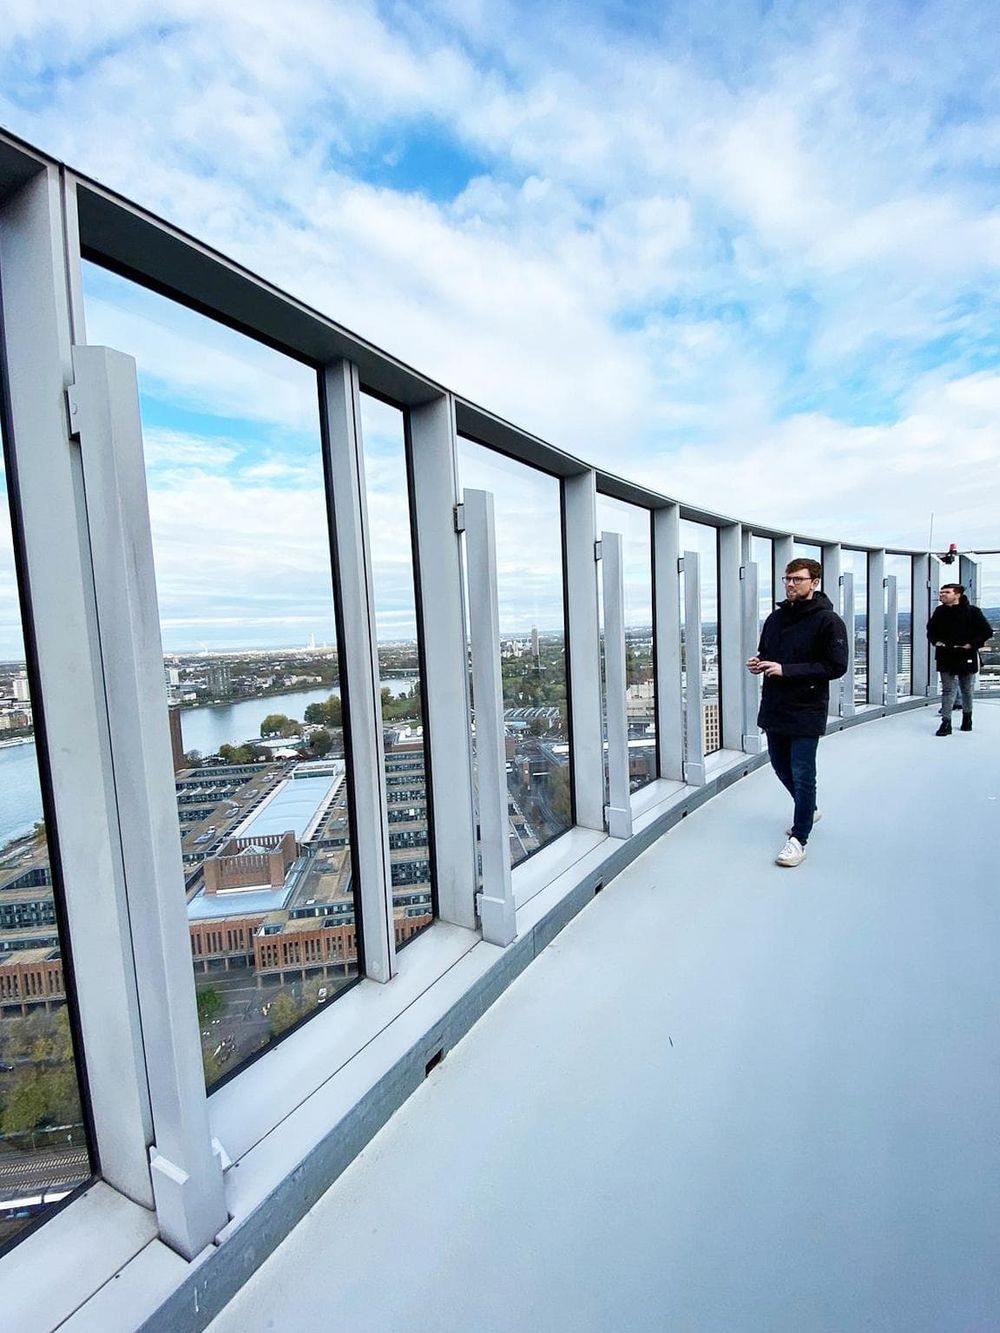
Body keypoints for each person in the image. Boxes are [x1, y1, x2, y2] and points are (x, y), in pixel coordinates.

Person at [747, 558, 848, 868]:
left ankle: (799, 838)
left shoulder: (829, 621)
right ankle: (809, 808)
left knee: (804, 773)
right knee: (779, 765)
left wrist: (786, 670)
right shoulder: (774, 619)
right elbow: (769, 656)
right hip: (776, 705)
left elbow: (836, 666)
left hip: (807, 707)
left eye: (798, 579)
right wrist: (759, 663)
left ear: (814, 582)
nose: (791, 584)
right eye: (787, 579)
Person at [926, 583, 994, 735]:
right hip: (946, 654)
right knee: (947, 690)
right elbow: (931, 630)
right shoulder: (939, 611)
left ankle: (967, 718)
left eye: (946, 592)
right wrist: (935, 641)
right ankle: (946, 722)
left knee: (966, 689)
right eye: (941, 592)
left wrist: (972, 645)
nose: (942, 595)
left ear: (957, 595)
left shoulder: (972, 612)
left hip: (965, 655)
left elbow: (986, 631)